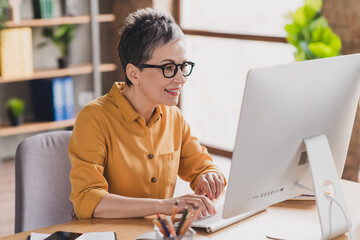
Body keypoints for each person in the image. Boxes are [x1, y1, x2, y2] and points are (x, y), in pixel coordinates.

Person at [68, 8, 226, 219]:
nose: (180, 78)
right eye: (168, 68)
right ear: (134, 74)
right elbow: (88, 199)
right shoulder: (94, 118)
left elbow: (201, 164)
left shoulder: (173, 117)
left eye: (183, 66)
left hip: (158, 232)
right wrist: (165, 205)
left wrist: (209, 175)